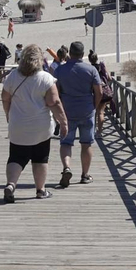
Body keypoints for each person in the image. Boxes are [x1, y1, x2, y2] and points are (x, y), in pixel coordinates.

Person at [1, 45, 67, 202]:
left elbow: (5, 98)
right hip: (41, 126)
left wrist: (8, 114)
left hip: (18, 125)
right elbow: (54, 102)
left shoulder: (13, 76)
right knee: (40, 157)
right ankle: (40, 190)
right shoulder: (45, 78)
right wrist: (63, 122)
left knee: (16, 157)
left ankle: (11, 185)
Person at [51, 41, 103, 188]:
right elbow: (98, 92)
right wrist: (94, 105)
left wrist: (58, 109)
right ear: (83, 54)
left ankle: (66, 168)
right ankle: (85, 175)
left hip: (67, 111)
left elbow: (56, 92)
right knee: (86, 144)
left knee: (66, 143)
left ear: (70, 53)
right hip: (86, 110)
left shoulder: (60, 70)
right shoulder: (91, 70)